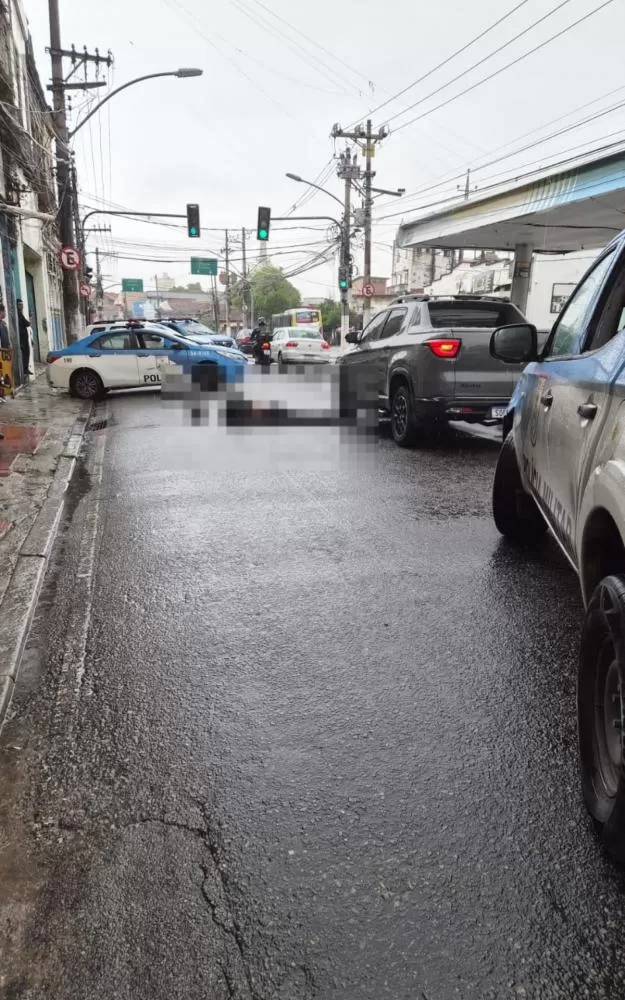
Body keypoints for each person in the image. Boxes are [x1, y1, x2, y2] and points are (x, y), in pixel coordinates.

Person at [16, 299, 31, 383]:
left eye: (22, 304)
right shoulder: (18, 314)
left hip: (24, 338)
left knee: (27, 353)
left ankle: (26, 369)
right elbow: (27, 323)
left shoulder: (20, 314)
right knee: (24, 355)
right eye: (20, 304)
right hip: (22, 339)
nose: (21, 306)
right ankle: (24, 370)